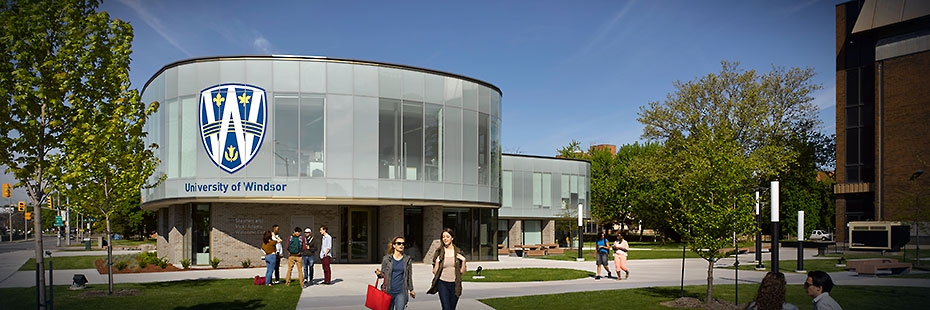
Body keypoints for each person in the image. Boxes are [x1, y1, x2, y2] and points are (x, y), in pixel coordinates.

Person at [427, 228, 467, 310]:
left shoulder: (459, 252)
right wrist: (437, 262)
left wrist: (464, 261)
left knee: (452, 308)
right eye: (443, 237)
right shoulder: (439, 252)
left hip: (455, 284)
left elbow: (462, 272)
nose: (445, 239)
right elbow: (434, 272)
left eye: (447, 236)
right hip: (443, 284)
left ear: (452, 238)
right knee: (446, 308)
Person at [375, 236, 416, 310]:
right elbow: (383, 274)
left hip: (401, 292)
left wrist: (411, 289)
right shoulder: (386, 259)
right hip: (388, 291)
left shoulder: (407, 260)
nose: (401, 245)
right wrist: (379, 273)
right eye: (399, 243)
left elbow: (409, 276)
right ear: (394, 245)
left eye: (403, 244)